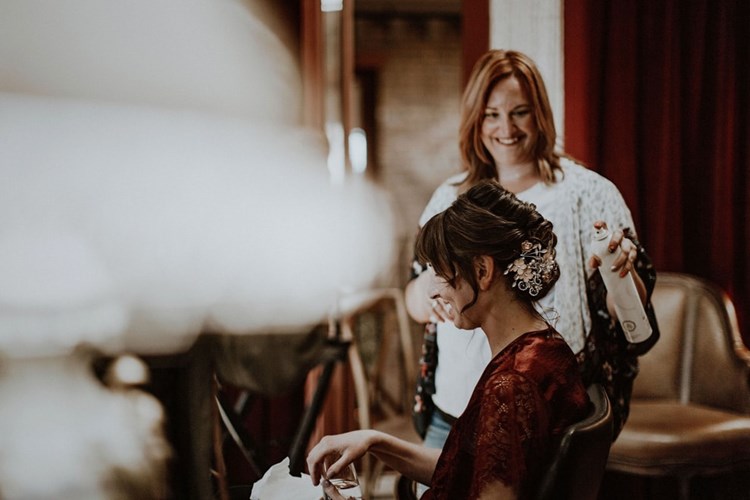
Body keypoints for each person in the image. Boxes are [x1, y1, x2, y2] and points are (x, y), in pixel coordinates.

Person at [405, 49, 659, 454]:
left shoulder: (589, 194)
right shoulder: (449, 196)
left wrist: (619, 272)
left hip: (548, 414)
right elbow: (414, 299)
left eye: (519, 112)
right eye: (491, 115)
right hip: (454, 410)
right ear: (475, 119)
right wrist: (429, 290)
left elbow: (632, 321)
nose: (506, 128)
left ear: (539, 114)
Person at [308, 181, 590, 500]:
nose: (432, 291)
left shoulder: (510, 388)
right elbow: (468, 471)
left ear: (482, 271)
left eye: (439, 273)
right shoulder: (548, 348)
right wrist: (376, 441)